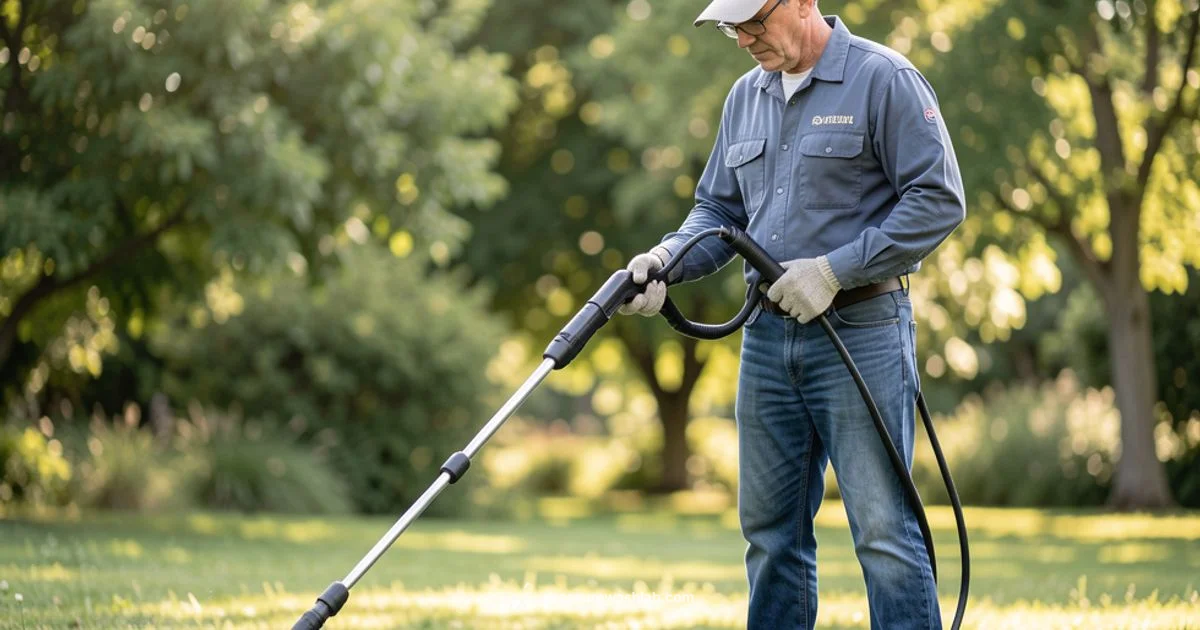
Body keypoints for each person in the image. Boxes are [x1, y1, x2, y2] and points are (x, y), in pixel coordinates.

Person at [617, 1, 966, 628]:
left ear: (803, 1)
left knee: (884, 535)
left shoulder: (883, 78)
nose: (743, 37)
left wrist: (835, 270)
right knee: (771, 537)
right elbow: (716, 213)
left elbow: (938, 199)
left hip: (861, 333)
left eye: (753, 20)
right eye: (731, 27)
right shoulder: (744, 98)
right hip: (767, 341)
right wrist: (665, 260)